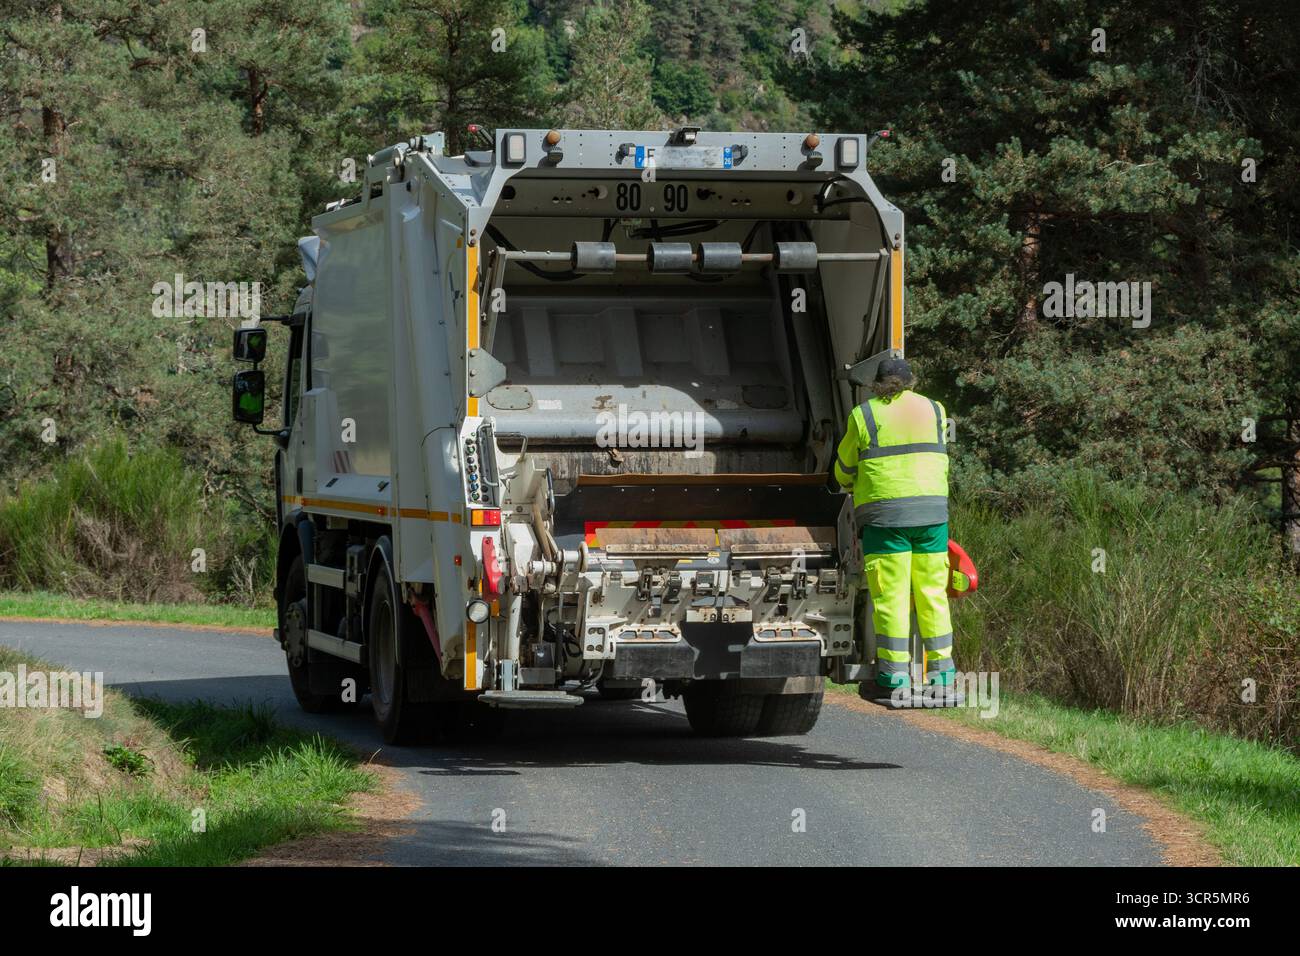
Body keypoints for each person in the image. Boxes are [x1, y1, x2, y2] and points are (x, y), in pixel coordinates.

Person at [832, 357, 954, 695]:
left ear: (877, 384)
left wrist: (847, 480)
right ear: (911, 381)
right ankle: (942, 673)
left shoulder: (865, 414)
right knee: (932, 593)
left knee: (892, 596)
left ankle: (894, 674)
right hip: (932, 516)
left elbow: (844, 467)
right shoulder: (935, 409)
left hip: (886, 520)